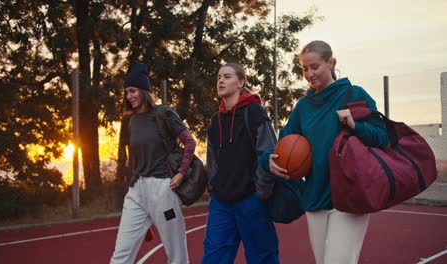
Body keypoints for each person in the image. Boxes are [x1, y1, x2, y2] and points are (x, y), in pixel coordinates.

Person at [259, 40, 388, 264]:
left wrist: (356, 126)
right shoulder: (303, 107)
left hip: (349, 197)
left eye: (315, 66)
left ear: (331, 63)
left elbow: (382, 138)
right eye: (304, 68)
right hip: (315, 197)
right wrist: (265, 160)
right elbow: (283, 145)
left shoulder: (353, 94)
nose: (309, 73)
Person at [110, 63, 196, 264]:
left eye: (132, 91)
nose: (129, 96)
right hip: (136, 192)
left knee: (177, 256)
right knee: (120, 255)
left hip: (162, 190)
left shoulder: (163, 113)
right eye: (126, 92)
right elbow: (136, 159)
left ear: (144, 91)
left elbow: (189, 141)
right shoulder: (132, 121)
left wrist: (182, 172)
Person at [201, 62, 279, 264]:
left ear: (240, 83)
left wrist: (260, 192)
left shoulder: (255, 113)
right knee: (213, 258)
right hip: (221, 203)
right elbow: (211, 161)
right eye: (219, 77)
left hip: (251, 199)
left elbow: (270, 152)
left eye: (227, 76)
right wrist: (213, 188)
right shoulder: (214, 121)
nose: (220, 80)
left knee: (262, 257)